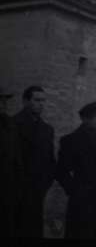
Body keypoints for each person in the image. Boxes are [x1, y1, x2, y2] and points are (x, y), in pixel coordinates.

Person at [56, 102, 96, 238]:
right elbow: (61, 171)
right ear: (85, 119)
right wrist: (74, 191)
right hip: (82, 200)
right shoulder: (70, 140)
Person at [14, 85, 56, 238]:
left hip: (37, 192)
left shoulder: (47, 130)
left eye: (43, 100)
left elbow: (50, 161)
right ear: (25, 101)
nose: (41, 104)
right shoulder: (12, 125)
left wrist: (43, 185)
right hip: (14, 193)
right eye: (37, 100)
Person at [0, 86, 23, 238]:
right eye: (0, 100)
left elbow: (17, 158)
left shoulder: (11, 125)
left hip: (8, 187)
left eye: (5, 100)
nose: (4, 104)